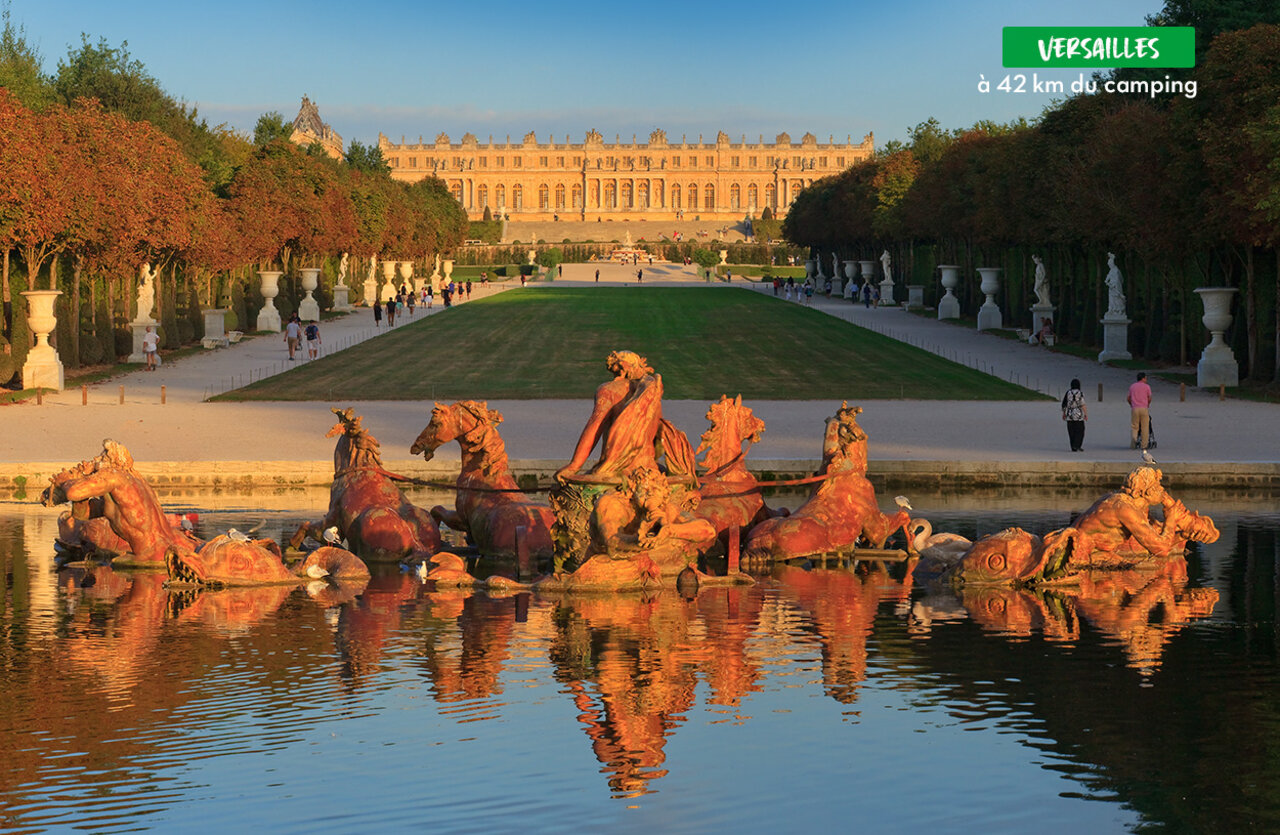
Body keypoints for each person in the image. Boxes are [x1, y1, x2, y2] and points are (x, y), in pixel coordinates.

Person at [1128, 371, 1153, 450]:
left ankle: (1134, 438)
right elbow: (1149, 398)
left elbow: (1128, 398)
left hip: (1135, 408)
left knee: (1135, 426)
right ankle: (1144, 445)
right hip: (1144, 408)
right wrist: (1148, 404)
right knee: (1145, 427)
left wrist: (1131, 404)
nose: (1146, 380)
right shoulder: (1147, 387)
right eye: (1146, 378)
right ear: (1143, 378)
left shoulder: (1132, 386)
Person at [1061, 378, 1087, 452]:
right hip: (1078, 415)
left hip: (1069, 414)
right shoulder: (1080, 393)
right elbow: (1083, 404)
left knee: (1071, 431)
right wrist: (1085, 414)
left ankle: (1073, 446)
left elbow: (1064, 404)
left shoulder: (1068, 393)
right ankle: (1077, 445)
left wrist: (1064, 413)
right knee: (1080, 431)